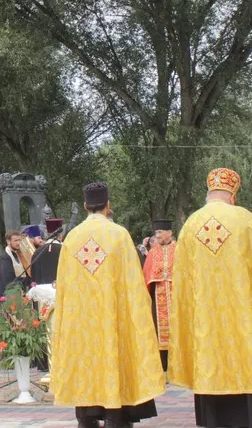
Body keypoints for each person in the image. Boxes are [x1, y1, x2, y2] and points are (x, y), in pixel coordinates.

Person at [169, 168, 252, 428]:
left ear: (209, 193)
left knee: (211, 357)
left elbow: (182, 283)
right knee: (249, 355)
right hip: (243, 316)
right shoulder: (245, 220)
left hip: (207, 319)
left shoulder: (191, 224)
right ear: (233, 195)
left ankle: (215, 419)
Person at [52, 181, 163, 428]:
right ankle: (115, 417)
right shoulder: (119, 234)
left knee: (86, 363)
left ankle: (86, 416)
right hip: (114, 318)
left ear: (85, 206)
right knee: (113, 360)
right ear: (108, 205)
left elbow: (64, 285)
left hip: (82, 323)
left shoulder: (72, 238)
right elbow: (134, 283)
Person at [142, 219, 175, 372]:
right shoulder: (153, 252)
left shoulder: (178, 249)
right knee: (158, 330)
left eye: (160, 232)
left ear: (170, 233)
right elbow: (146, 274)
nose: (158, 236)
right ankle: (162, 365)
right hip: (158, 296)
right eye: (156, 233)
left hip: (175, 296)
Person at [30, 219, 63, 286]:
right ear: (59, 235)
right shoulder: (64, 250)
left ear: (48, 234)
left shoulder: (37, 251)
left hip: (42, 292)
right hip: (59, 290)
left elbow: (34, 274)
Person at [0, 230, 29, 298]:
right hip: (9, 295)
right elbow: (8, 279)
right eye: (15, 240)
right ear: (8, 242)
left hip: (19, 291)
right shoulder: (5, 257)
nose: (18, 243)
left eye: (19, 240)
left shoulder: (19, 254)